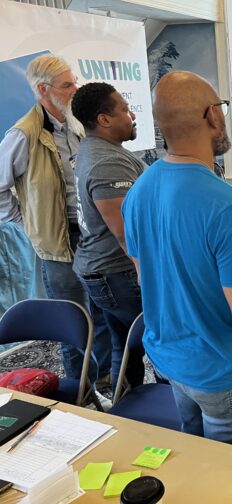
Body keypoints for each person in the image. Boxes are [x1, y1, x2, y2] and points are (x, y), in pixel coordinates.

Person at [122, 71, 232, 450]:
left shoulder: (139, 190)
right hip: (228, 377)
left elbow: (149, 280)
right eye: (222, 107)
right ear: (212, 115)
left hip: (172, 364)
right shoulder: (231, 208)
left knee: (196, 465)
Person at [0, 54, 111, 391]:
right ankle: (82, 390)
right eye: (68, 85)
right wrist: (29, 226)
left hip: (94, 238)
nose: (76, 89)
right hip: (59, 246)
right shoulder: (23, 134)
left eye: (74, 81)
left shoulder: (78, 124)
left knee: (104, 312)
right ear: (44, 90)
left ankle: (106, 379)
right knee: (72, 320)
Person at [70, 82, 146, 392]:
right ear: (104, 119)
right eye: (125, 110)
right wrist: (149, 276)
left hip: (102, 269)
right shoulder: (108, 163)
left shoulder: (95, 150)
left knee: (125, 346)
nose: (131, 116)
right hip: (117, 273)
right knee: (157, 341)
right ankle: (168, 412)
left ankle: (126, 405)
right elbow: (127, 233)